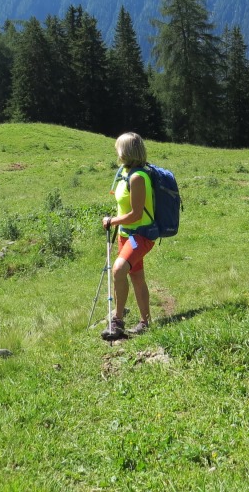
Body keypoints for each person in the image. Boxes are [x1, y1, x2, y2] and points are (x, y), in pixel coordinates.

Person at [100, 131, 155, 341]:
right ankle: (145, 322)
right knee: (137, 277)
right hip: (126, 235)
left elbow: (136, 214)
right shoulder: (125, 173)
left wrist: (112, 221)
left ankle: (117, 321)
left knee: (118, 269)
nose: (116, 151)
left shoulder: (138, 177)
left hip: (140, 235)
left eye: (118, 148)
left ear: (126, 151)